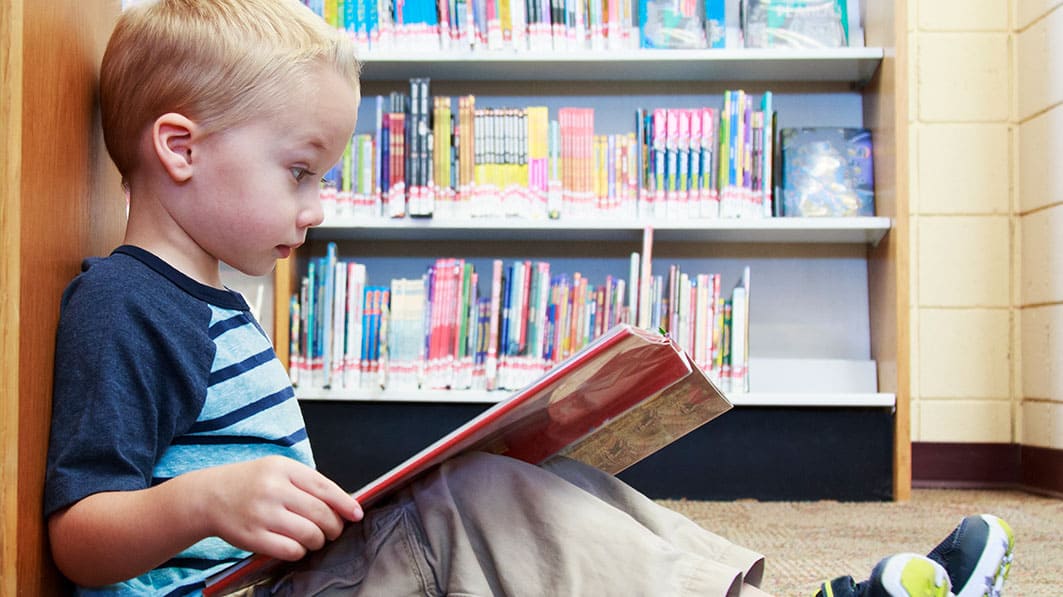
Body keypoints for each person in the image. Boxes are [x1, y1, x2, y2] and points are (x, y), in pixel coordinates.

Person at [43, 1, 1014, 596]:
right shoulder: (126, 305)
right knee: (479, 499)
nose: (317, 205)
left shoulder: (209, 301)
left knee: (536, 481)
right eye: (298, 171)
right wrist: (204, 501)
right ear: (179, 149)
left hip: (287, 579)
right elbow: (78, 536)